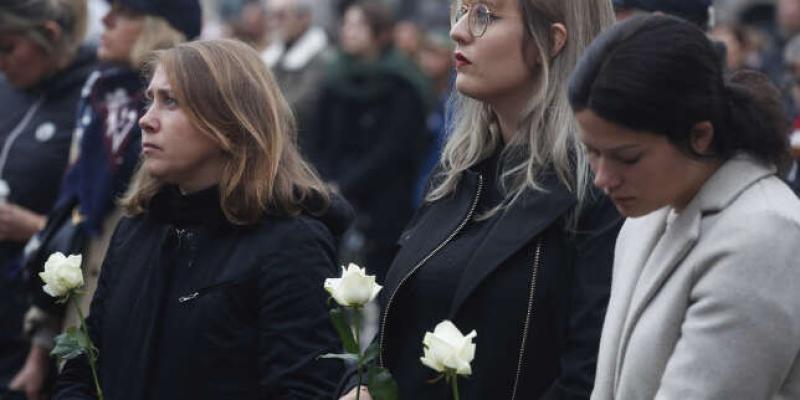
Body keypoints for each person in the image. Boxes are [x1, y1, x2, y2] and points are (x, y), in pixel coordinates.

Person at [338, 0, 620, 399]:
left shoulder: (601, 188)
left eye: (485, 15)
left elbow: (589, 376)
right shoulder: (456, 173)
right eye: (462, 11)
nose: (458, 30)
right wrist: (362, 385)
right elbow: (400, 327)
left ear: (552, 41)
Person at [54, 38, 347, 399]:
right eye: (150, 99)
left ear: (229, 120)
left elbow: (304, 388)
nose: (146, 120)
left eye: (171, 101)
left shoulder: (290, 244)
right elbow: (84, 368)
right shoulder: (137, 229)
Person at [569, 15, 800, 399]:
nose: (602, 178)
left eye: (627, 157)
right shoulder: (649, 213)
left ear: (700, 135)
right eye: (592, 153)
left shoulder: (764, 235)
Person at [16, 0, 200, 397]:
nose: (105, 20)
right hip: (81, 313)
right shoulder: (99, 95)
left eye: (125, 12)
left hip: (142, 319)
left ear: (159, 27)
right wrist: (41, 348)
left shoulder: (192, 115)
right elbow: (70, 221)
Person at [0, 1, 96, 398]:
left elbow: (102, 227)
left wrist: (35, 229)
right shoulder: (10, 90)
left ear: (50, 37)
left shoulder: (93, 95)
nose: (1, 63)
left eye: (7, 48)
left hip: (39, 316)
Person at [309, 0, 430, 284]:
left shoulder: (402, 82)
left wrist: (347, 184)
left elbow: (394, 148)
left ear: (380, 33)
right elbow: (318, 138)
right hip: (332, 195)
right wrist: (326, 181)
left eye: (359, 25)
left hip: (383, 203)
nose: (349, 32)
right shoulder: (333, 77)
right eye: (346, 24)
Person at [262, 0, 332, 142]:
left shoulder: (321, 58)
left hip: (304, 140)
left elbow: (302, 105)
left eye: (281, 16)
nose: (275, 23)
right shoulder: (273, 54)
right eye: (272, 16)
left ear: (304, 19)